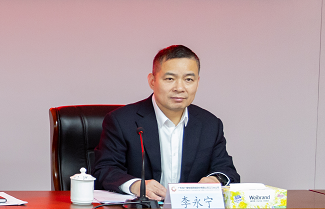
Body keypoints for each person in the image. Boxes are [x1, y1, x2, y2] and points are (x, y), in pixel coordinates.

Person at [93, 44, 239, 200]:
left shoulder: (210, 125)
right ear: (152, 81)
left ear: (197, 82)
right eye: (170, 79)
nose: (179, 88)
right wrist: (136, 185)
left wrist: (216, 179)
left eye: (189, 79)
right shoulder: (122, 121)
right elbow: (105, 169)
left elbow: (227, 171)